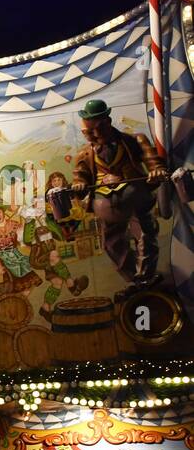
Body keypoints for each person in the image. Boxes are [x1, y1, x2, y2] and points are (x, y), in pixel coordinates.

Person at [65, 99, 168, 301]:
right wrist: (78, 184)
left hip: (136, 198)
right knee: (111, 245)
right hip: (106, 206)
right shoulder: (84, 154)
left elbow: (152, 160)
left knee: (145, 236)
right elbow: (80, 176)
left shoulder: (134, 140)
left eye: (97, 129)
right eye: (88, 131)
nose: (93, 135)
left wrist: (156, 170)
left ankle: (146, 276)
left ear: (108, 121)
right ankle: (135, 280)